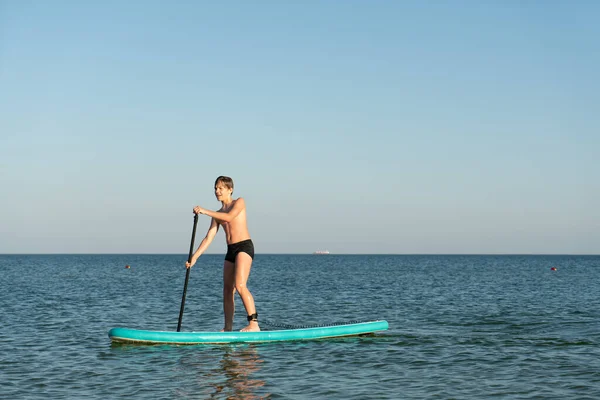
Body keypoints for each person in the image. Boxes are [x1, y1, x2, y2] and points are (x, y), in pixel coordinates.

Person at [185, 176, 259, 332]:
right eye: (215, 188)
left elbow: (229, 217)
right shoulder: (217, 214)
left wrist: (205, 211)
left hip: (244, 247)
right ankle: (228, 327)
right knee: (227, 290)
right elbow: (209, 237)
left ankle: (254, 324)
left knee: (240, 285)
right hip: (231, 250)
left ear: (230, 189)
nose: (217, 191)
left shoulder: (239, 202)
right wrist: (194, 257)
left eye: (220, 188)